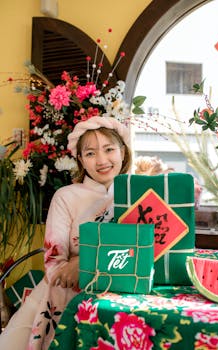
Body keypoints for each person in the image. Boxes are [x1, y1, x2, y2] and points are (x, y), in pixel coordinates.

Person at [0, 116, 131, 350]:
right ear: (80, 159)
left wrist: (83, 261)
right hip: (61, 301)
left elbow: (139, 256)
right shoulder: (66, 196)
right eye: (90, 153)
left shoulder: (135, 195)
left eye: (109, 149)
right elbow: (54, 266)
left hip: (118, 305)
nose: (101, 160)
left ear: (122, 151)